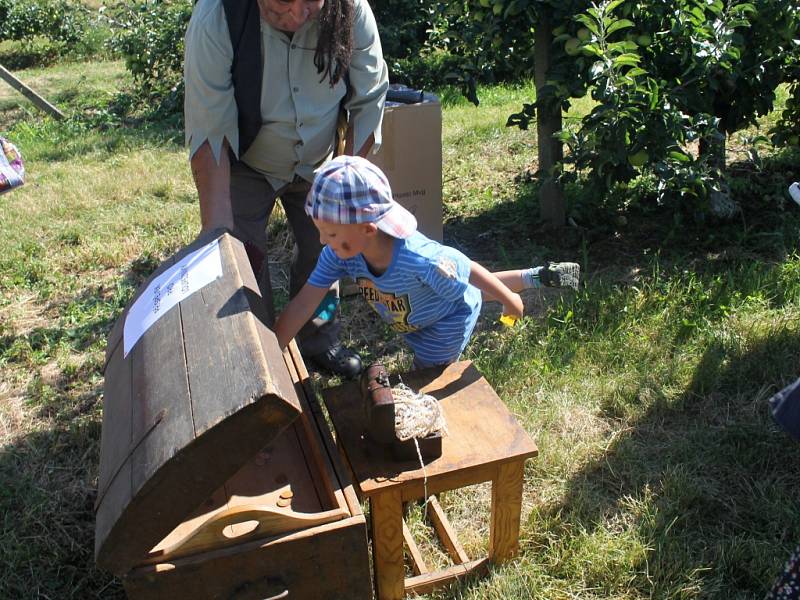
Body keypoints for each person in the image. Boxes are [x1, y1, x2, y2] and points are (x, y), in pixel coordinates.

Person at [183, 0, 389, 377]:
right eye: (279, 6)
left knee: (325, 256)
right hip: (246, 162)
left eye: (308, 4)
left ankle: (320, 341)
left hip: (320, 160)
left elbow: (369, 100)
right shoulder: (217, 15)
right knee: (240, 260)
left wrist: (350, 189)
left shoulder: (351, 10)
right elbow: (208, 128)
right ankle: (252, 355)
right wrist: (218, 234)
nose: (295, 17)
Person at [274, 156, 580, 368]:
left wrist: (511, 302)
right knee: (458, 288)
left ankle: (518, 289)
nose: (323, 242)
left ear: (368, 230)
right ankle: (535, 277)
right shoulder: (340, 254)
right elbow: (304, 304)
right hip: (425, 302)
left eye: (330, 233)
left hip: (444, 324)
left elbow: (467, 267)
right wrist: (272, 351)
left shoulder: (421, 260)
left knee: (424, 376)